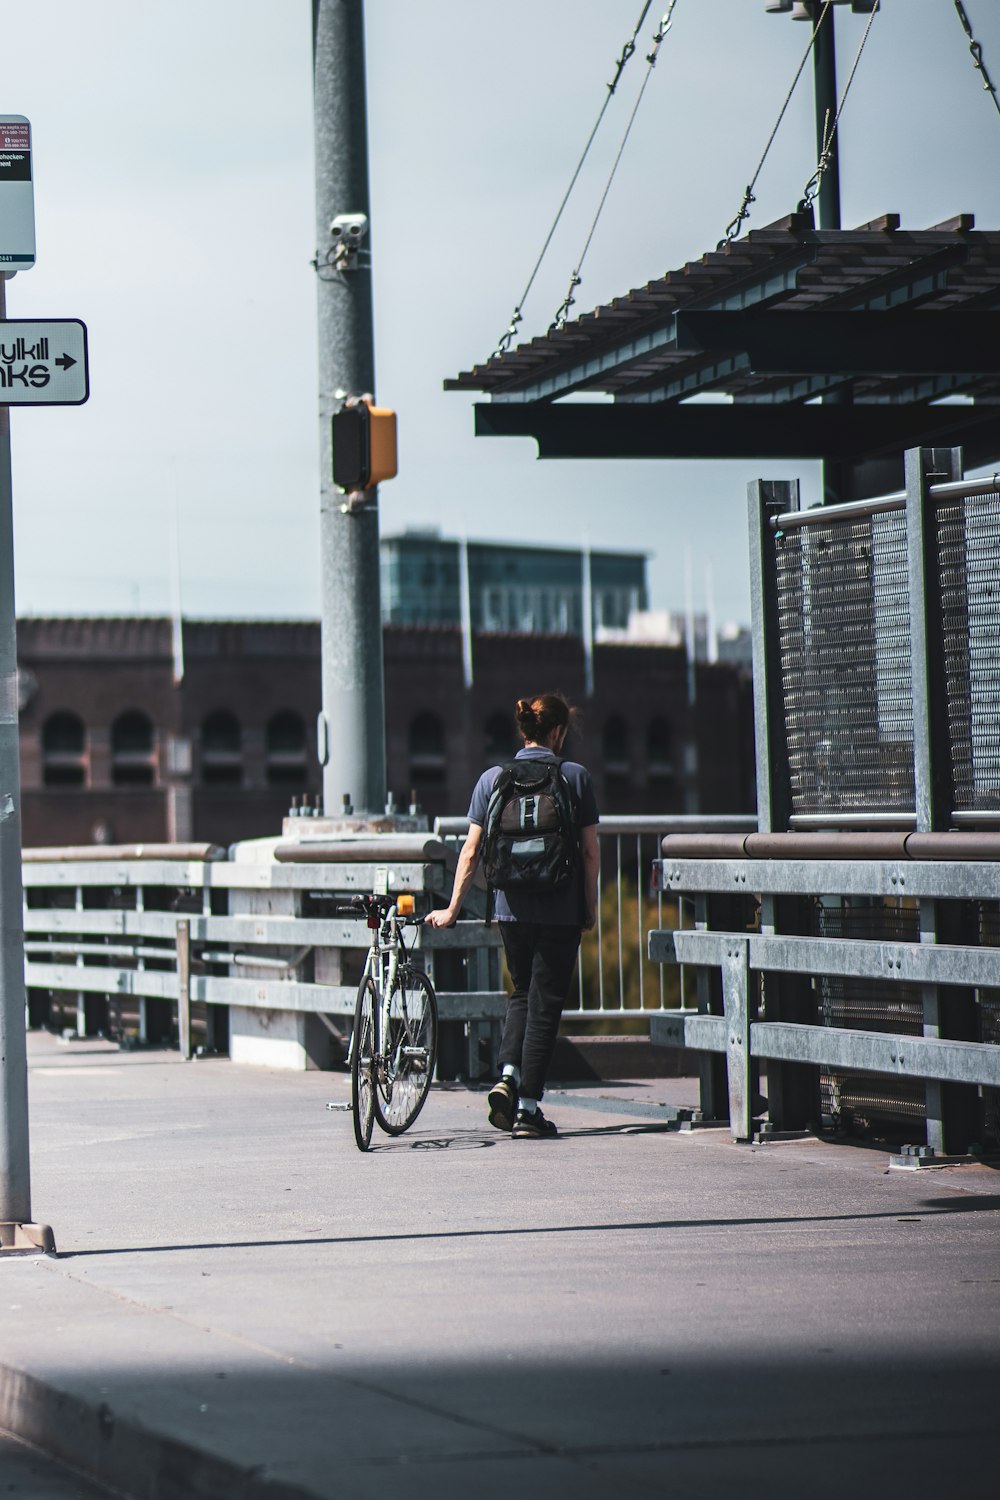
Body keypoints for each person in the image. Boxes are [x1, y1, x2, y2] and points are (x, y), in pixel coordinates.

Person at [426, 693, 599, 1139]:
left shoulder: (492, 778)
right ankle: (526, 1107)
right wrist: (589, 907)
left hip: (510, 907)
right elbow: (590, 852)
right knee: (546, 1004)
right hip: (560, 907)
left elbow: (470, 851)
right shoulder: (575, 778)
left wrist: (451, 908)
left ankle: (506, 1073)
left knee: (522, 993)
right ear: (558, 732)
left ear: (524, 731)